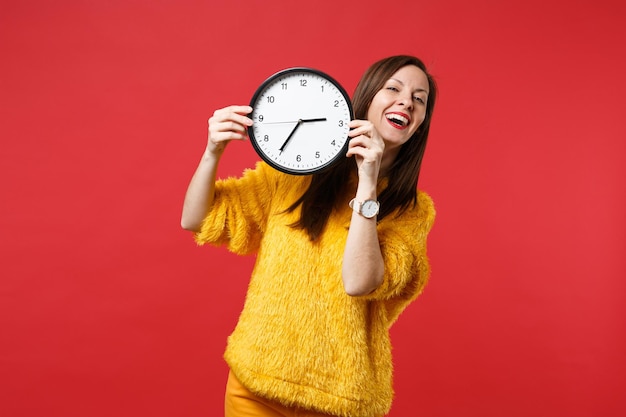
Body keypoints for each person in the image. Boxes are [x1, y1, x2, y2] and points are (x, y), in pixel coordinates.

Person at [181, 55, 438, 417]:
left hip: (340, 402)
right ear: (365, 100)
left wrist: (368, 182)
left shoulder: (412, 211)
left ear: (420, 123)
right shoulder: (297, 169)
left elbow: (359, 281)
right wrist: (212, 151)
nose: (406, 101)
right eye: (393, 88)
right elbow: (196, 219)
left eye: (419, 98)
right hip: (254, 386)